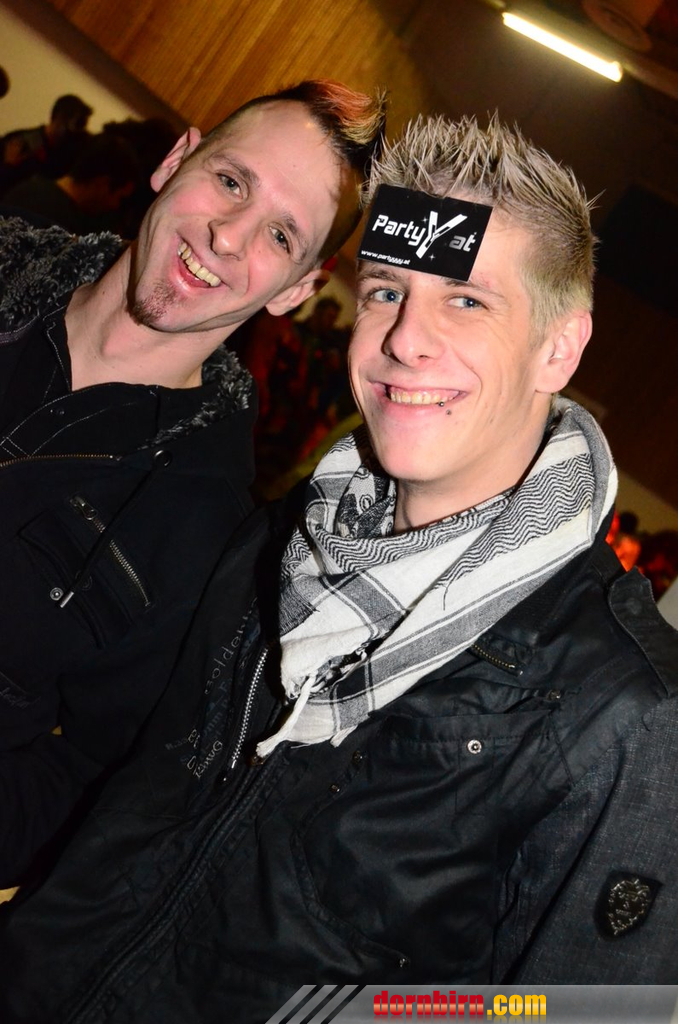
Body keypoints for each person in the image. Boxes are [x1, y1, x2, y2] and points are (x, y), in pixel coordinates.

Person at [2, 113, 678, 1023]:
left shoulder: (623, 715)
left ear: (558, 348)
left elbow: (586, 1013)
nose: (405, 339)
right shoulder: (274, 550)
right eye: (387, 290)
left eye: (466, 302)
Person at [0, 78, 386, 886]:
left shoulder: (201, 534)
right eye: (232, 181)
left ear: (297, 290)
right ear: (176, 159)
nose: (226, 236)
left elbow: (90, 778)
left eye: (280, 234)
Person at [1, 132, 139, 234]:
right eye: (119, 198)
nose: (115, 205)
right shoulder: (58, 224)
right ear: (102, 183)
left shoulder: (29, 188)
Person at [0, 94, 92, 196]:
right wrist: (9, 167)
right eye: (77, 124)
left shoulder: (70, 154)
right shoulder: (20, 141)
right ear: (59, 117)